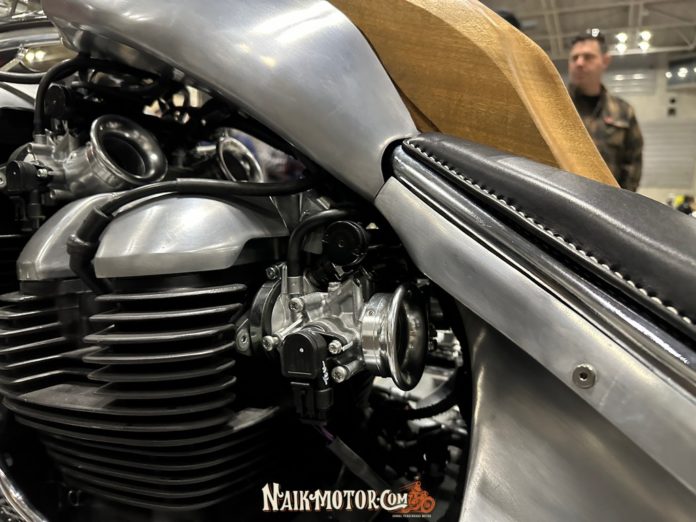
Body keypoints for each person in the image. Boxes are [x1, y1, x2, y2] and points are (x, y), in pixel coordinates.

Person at [568, 33, 643, 191]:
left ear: (605, 61)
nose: (579, 63)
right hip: (557, 199)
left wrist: (622, 201)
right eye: (574, 58)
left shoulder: (623, 112)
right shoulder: (552, 106)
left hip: (606, 201)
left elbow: (633, 163)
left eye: (588, 57)